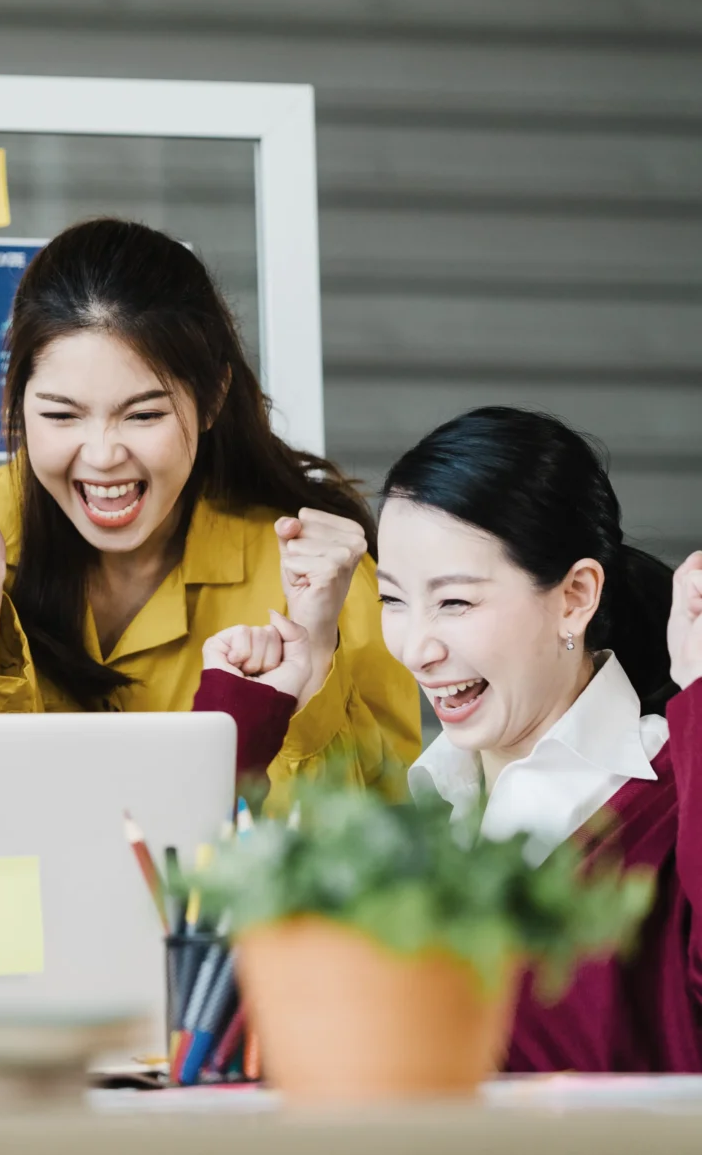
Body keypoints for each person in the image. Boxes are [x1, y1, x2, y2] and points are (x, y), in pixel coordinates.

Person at [196, 407, 700, 1071]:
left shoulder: (670, 806)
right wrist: (253, 712)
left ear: (575, 596)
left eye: (456, 602)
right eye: (396, 600)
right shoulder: (413, 819)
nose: (417, 648)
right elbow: (195, 965)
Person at [0, 218, 419, 800]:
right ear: (18, 403)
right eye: (61, 415)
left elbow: (373, 850)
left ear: (212, 399)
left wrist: (314, 653)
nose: (102, 457)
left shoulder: (319, 584)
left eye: (143, 415)